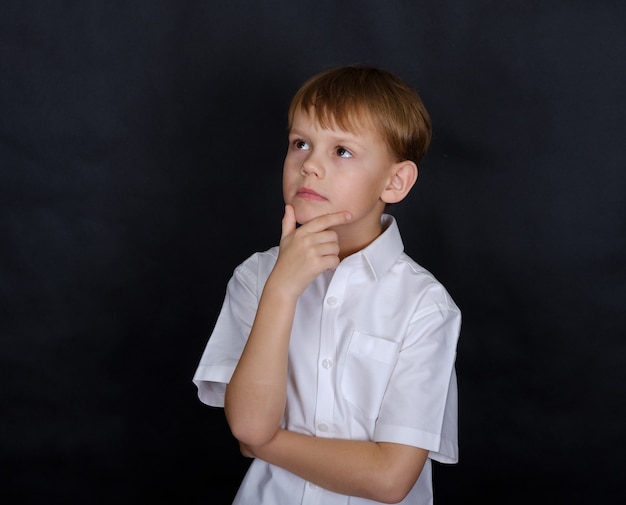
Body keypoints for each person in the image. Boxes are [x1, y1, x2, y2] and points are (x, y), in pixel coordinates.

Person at [193, 64, 461, 504]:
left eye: (342, 151)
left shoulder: (424, 305)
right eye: (300, 144)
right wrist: (281, 291)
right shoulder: (256, 277)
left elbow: (391, 479)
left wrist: (267, 446)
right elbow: (248, 425)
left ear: (395, 181)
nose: (310, 166)